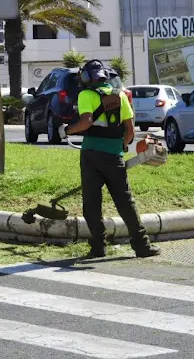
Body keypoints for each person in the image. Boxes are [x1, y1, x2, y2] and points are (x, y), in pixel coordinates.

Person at [58, 59, 161, 258]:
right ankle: (142, 246)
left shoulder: (85, 95)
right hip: (114, 156)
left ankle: (98, 247)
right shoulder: (120, 95)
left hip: (91, 155)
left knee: (92, 202)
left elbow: (86, 122)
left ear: (86, 77)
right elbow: (129, 131)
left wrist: (67, 130)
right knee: (125, 201)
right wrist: (121, 147)